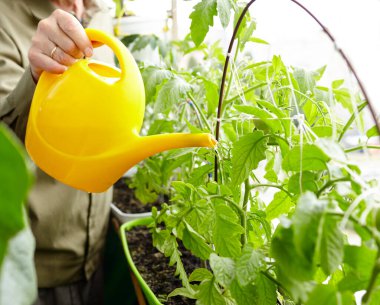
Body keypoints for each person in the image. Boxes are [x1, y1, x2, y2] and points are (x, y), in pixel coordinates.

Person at [0, 0, 115, 304]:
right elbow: (3, 144)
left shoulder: (101, 11)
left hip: (97, 251)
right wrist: (37, 77)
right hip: (36, 273)